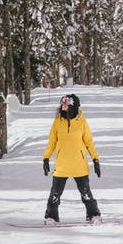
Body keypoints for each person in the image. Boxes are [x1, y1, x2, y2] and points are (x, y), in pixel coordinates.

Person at [42, 93, 102, 224]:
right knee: (55, 195)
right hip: (62, 165)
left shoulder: (82, 122)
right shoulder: (57, 122)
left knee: (86, 193)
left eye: (66, 104)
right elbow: (51, 142)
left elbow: (89, 142)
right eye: (62, 104)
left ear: (73, 107)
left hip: (79, 165)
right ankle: (51, 217)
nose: (62, 106)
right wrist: (46, 158)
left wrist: (95, 159)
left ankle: (93, 215)